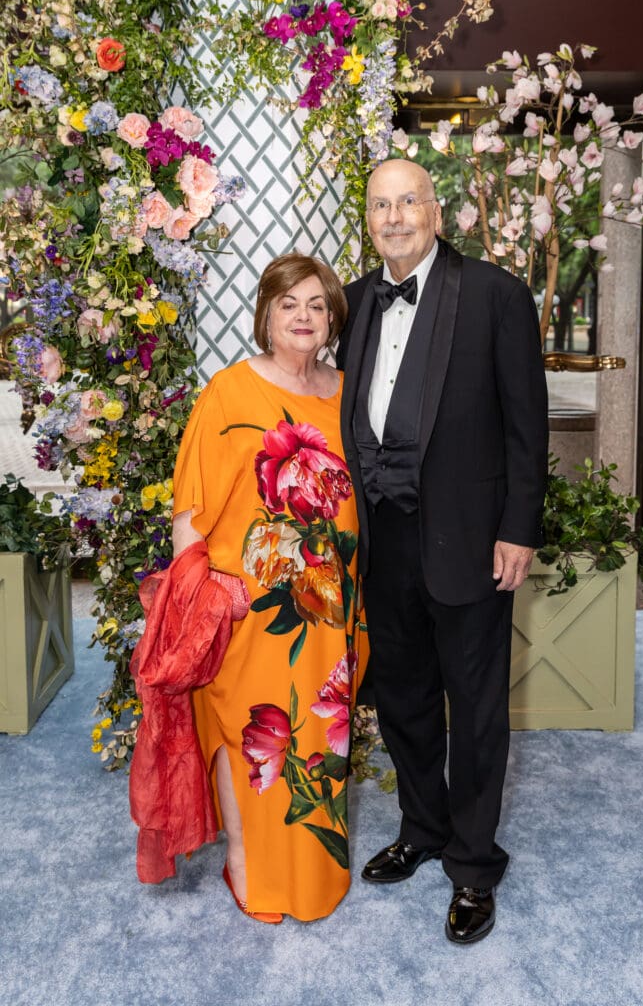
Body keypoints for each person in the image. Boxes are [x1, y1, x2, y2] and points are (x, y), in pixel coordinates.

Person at [336, 159, 548, 944]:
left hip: (471, 537)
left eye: (407, 201)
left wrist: (518, 526)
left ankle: (472, 863)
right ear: (368, 217)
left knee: (478, 709)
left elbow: (528, 422)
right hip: (380, 540)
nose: (394, 217)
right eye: (380, 204)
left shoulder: (494, 294)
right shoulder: (354, 301)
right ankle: (421, 829)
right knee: (403, 701)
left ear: (436, 208)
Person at [171, 253, 364, 923]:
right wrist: (194, 598)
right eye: (289, 304)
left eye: (317, 304)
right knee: (244, 726)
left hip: (328, 603)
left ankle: (315, 873)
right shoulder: (228, 390)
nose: (304, 316)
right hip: (250, 600)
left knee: (318, 734)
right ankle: (244, 863)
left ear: (333, 317)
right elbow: (189, 510)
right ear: (266, 314)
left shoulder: (347, 392)